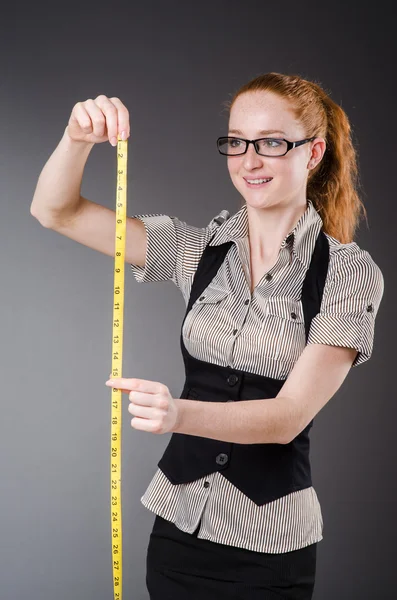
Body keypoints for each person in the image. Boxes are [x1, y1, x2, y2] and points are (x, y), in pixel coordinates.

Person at [31, 72, 384, 599]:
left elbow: (288, 417)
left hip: (271, 548)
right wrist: (76, 138)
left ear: (313, 153)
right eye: (236, 142)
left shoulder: (349, 274)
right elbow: (55, 212)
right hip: (178, 533)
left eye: (270, 143)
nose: (249, 160)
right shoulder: (195, 250)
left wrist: (179, 414)